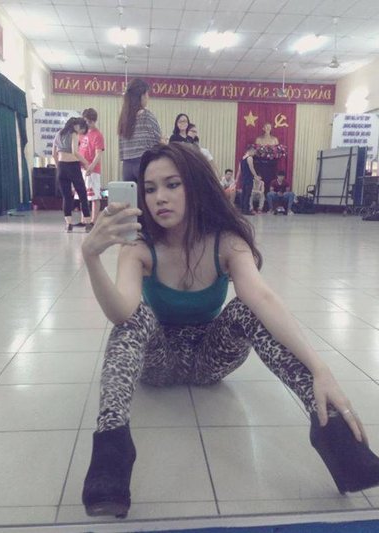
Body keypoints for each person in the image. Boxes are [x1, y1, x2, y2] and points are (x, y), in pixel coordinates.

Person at [80, 142, 379, 519]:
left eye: (172, 184)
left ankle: (334, 432)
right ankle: (111, 451)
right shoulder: (139, 246)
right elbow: (121, 312)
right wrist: (91, 257)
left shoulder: (227, 241)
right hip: (158, 361)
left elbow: (263, 299)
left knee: (246, 309)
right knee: (134, 319)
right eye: (151, 189)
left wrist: (321, 369)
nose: (160, 198)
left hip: (211, 359)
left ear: (196, 185)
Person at [52, 117, 91, 232]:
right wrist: (85, 162)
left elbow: (53, 154)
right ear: (77, 126)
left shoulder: (58, 133)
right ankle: (88, 223)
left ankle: (68, 225)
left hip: (61, 167)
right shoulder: (73, 134)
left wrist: (59, 167)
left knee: (67, 196)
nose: (80, 132)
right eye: (81, 130)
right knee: (82, 194)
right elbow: (75, 152)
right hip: (73, 167)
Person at [118, 78, 162, 183]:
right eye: (147, 94)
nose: (148, 97)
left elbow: (121, 146)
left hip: (127, 167)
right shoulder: (146, 115)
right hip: (143, 164)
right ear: (142, 96)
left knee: (130, 194)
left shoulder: (124, 118)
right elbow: (156, 142)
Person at [75, 108, 105, 228]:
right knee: (82, 194)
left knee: (94, 195)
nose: (87, 123)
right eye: (85, 121)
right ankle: (84, 220)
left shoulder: (98, 135)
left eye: (89, 121)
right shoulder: (81, 133)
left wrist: (91, 167)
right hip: (81, 168)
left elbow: (98, 154)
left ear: (94, 121)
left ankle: (93, 221)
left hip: (93, 170)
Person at [237, 144, 261, 215]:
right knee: (247, 194)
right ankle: (246, 210)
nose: (254, 153)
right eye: (254, 152)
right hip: (248, 178)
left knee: (243, 194)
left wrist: (237, 179)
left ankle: (242, 209)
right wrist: (256, 176)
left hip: (243, 178)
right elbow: (251, 168)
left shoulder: (242, 158)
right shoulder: (250, 158)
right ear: (250, 150)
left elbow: (239, 170)